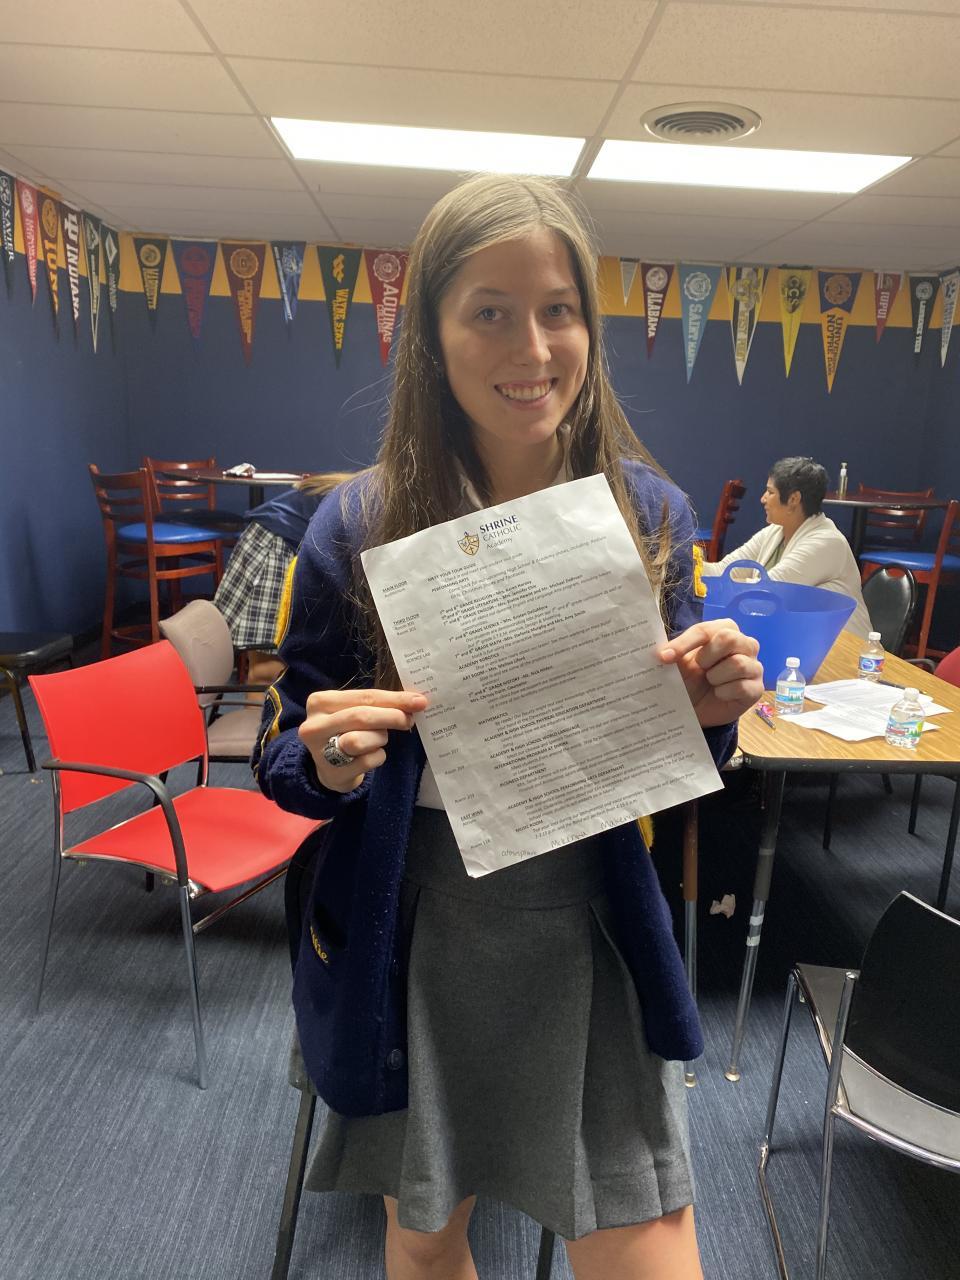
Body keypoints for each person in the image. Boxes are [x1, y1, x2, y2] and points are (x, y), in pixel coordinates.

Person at [253, 174, 763, 1280]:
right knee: (426, 1231)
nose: (532, 346)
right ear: (431, 336)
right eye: (489, 310)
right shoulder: (359, 522)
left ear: (589, 326)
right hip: (414, 923)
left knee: (644, 1232)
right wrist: (329, 761)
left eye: (558, 309)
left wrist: (710, 714)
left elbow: (680, 751)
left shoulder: (649, 515)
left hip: (590, 918)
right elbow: (284, 752)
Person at [701, 456, 873, 638]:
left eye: (770, 492)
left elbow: (765, 594)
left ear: (793, 499)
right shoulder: (775, 531)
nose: (763, 498)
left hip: (847, 647)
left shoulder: (827, 542)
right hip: (808, 639)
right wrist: (688, 562)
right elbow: (723, 571)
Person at [213, 471, 355, 689]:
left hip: (269, 536)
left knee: (270, 667)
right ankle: (256, 712)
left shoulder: (354, 485)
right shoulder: (364, 499)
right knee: (267, 671)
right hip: (276, 544)